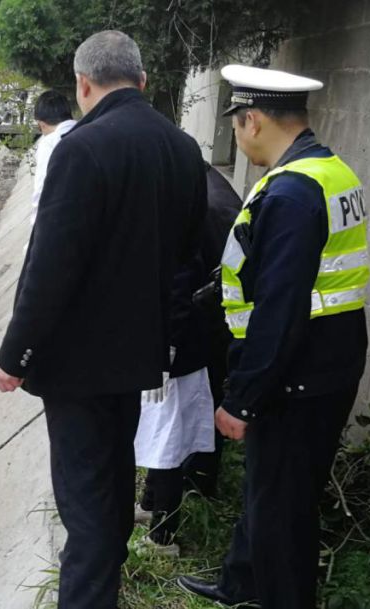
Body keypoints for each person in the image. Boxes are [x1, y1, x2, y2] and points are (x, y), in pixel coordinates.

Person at [0, 30, 206, 609]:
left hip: (78, 369)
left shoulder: (81, 148)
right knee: (109, 490)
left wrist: (12, 356)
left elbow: (50, 269)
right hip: (138, 360)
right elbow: (186, 261)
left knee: (84, 511)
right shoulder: (182, 148)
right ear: (143, 81)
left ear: (83, 84)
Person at [178, 65, 369, 609]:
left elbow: (279, 309)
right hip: (327, 362)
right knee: (271, 488)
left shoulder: (290, 195)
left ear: (254, 120)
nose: (237, 136)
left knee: (284, 509)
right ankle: (241, 584)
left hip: (298, 376)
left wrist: (242, 398)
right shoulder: (331, 172)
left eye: (237, 125)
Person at [132, 221, 216, 557]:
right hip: (173, 350)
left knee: (167, 442)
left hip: (176, 355)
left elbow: (179, 294)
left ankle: (163, 538)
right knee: (160, 435)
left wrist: (165, 353)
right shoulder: (174, 220)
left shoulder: (176, 232)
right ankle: (151, 505)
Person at [180, 164, 244, 497]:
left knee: (206, 387)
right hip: (223, 305)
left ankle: (198, 480)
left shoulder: (202, 207)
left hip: (219, 310)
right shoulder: (207, 184)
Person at [30, 90, 77, 223]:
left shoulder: (49, 142)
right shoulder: (88, 130)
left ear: (41, 123)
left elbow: (42, 190)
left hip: (62, 219)